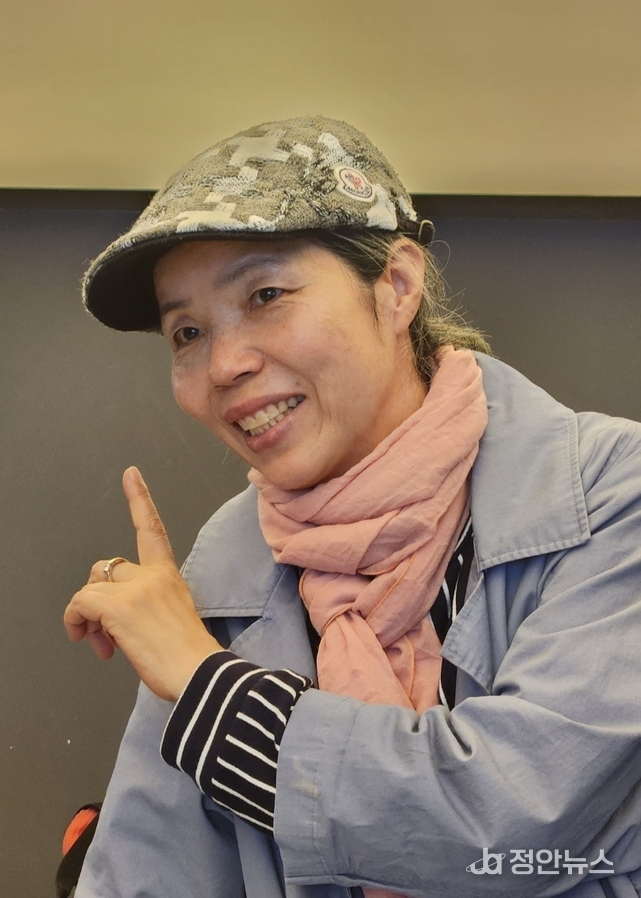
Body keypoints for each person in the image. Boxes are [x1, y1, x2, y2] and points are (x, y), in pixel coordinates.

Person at [63, 116, 641, 898]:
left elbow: (511, 827)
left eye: (266, 295)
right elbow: (147, 873)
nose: (224, 364)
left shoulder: (612, 494)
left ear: (396, 286)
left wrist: (209, 689)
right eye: (187, 332)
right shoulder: (224, 569)